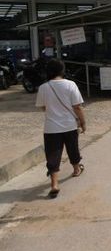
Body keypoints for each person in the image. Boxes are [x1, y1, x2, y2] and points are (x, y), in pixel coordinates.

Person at [35, 58, 86, 199]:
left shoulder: (43, 88)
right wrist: (83, 123)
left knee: (53, 155)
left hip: (51, 127)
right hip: (69, 125)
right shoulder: (71, 85)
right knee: (72, 148)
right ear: (62, 70)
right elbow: (77, 107)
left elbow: (44, 107)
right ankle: (76, 169)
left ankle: (54, 184)